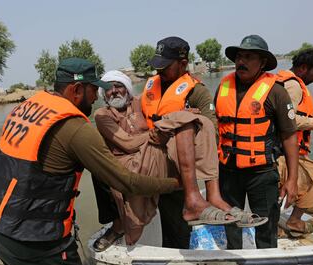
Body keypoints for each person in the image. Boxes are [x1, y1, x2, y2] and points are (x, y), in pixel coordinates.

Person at [0, 58, 180, 265]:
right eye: (94, 90)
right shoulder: (75, 128)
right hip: (34, 242)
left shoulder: (28, 107)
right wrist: (174, 184)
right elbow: (128, 182)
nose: (96, 98)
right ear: (76, 90)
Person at [92, 70, 243, 250]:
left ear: (127, 89)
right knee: (180, 120)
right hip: (130, 166)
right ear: (103, 94)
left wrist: (178, 117)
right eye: (109, 88)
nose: (114, 91)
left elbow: (162, 112)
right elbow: (128, 143)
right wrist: (161, 129)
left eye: (119, 86)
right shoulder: (102, 115)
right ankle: (189, 190)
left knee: (197, 122)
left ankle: (208, 194)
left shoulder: (139, 102)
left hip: (154, 156)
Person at [139, 36, 258, 249]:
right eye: (157, 66)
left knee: (178, 230)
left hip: (178, 171)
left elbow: (210, 133)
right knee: (162, 223)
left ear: (183, 64)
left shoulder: (197, 91)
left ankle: (207, 202)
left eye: (164, 66)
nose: (159, 72)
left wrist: (178, 121)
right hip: (152, 162)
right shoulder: (150, 86)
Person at [214, 35, 299, 249]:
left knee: (266, 228)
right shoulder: (223, 87)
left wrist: (292, 180)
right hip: (227, 171)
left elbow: (290, 137)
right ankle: (234, 258)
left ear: (262, 63)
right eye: (239, 56)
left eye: (249, 57)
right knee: (230, 223)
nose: (241, 61)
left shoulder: (276, 92)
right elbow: (215, 128)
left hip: (261, 174)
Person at [276, 48, 313, 237]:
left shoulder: (286, 81)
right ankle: (295, 221)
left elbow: (301, 112)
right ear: (303, 68)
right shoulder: (293, 86)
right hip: (285, 151)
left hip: (279, 150)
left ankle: (276, 225)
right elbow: (289, 119)